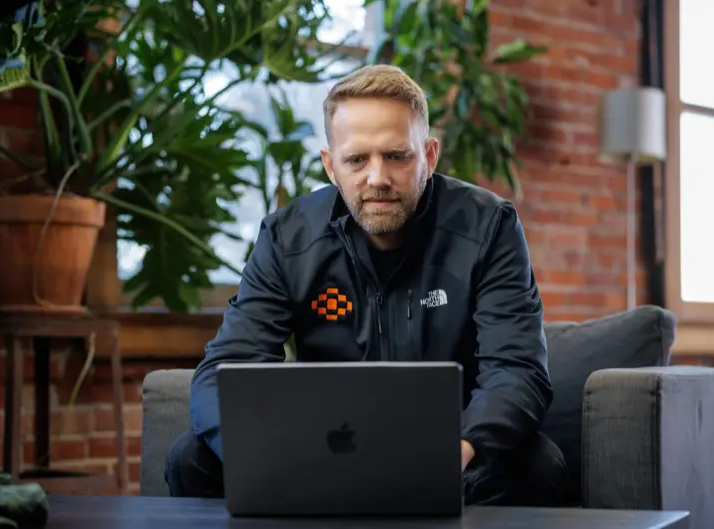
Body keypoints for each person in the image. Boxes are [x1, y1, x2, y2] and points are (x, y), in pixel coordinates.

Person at [165, 64, 568, 506]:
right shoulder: (287, 239)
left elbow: (517, 370)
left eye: (397, 156)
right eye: (357, 159)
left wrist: (460, 449)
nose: (377, 178)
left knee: (538, 466)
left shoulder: (488, 227)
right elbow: (223, 372)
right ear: (330, 166)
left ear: (429, 156)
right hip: (320, 451)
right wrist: (274, 456)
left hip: (455, 451)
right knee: (190, 459)